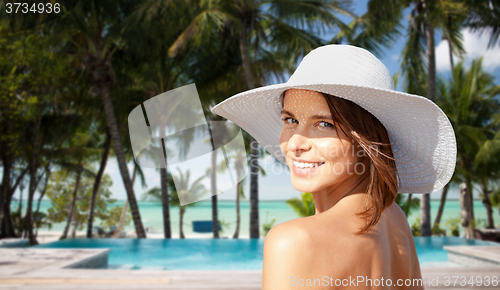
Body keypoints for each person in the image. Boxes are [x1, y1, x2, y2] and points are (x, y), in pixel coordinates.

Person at [211, 45, 456, 289]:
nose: (295, 143)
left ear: (366, 139)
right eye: (291, 120)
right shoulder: (393, 218)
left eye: (325, 124)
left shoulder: (293, 242)